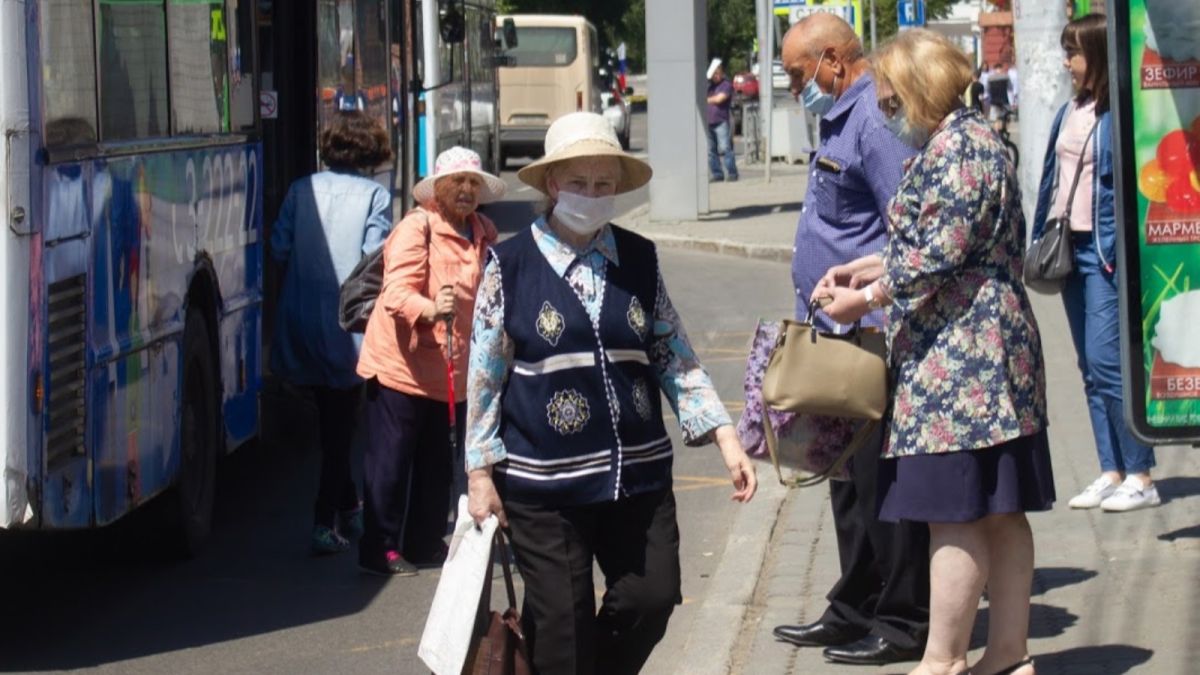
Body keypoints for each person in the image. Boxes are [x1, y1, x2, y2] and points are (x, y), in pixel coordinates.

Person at [463, 111, 757, 675]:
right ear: (552, 185)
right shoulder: (510, 264)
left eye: (603, 185)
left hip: (636, 474)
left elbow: (674, 352)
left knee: (652, 597)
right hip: (544, 487)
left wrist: (726, 437)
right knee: (562, 627)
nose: (592, 196)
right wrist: (480, 472)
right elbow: (484, 375)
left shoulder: (639, 259)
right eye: (579, 182)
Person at [815, 29, 1055, 675]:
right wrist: (868, 268)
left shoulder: (957, 149)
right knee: (999, 509)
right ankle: (1007, 654)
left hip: (960, 362)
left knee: (954, 515)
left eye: (891, 101)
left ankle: (944, 660)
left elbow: (938, 255)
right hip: (984, 354)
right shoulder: (971, 140)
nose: (887, 114)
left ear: (920, 90)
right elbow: (942, 242)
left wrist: (863, 299)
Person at [770, 14, 931, 667]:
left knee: (879, 481)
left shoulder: (873, 120)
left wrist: (868, 298)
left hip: (867, 330)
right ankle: (854, 604)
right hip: (831, 332)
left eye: (794, 73)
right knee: (842, 479)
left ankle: (902, 620)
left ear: (832, 59)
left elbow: (910, 229)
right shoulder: (842, 114)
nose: (792, 86)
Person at [355, 146, 505, 575]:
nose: (465, 190)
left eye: (473, 183)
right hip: (401, 366)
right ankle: (379, 546)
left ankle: (423, 542)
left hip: (450, 370)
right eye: (457, 182)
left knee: (438, 465)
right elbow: (396, 293)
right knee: (390, 463)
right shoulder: (416, 228)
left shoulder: (483, 232)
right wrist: (430, 308)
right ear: (437, 190)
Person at [1032, 13, 1159, 512]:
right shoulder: (1073, 108)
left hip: (1103, 252)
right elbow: (1051, 177)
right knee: (1088, 367)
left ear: (1100, 57)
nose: (1067, 63)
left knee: (1110, 366)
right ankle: (1112, 470)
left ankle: (1142, 475)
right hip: (1069, 250)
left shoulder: (1119, 115)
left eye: (1074, 53)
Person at [269, 110, 393, 555]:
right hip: (349, 324)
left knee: (331, 418)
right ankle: (325, 518)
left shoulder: (301, 189)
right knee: (341, 423)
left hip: (301, 317)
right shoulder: (375, 196)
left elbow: (279, 247)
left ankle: (349, 505)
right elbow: (374, 259)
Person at [705, 58, 739, 182]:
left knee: (725, 148)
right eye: (713, 74)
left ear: (721, 72)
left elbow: (720, 99)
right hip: (708, 122)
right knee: (711, 151)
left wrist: (706, 100)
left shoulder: (726, 85)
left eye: (717, 73)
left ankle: (732, 173)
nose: (715, 76)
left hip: (721, 121)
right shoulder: (710, 87)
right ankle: (717, 174)